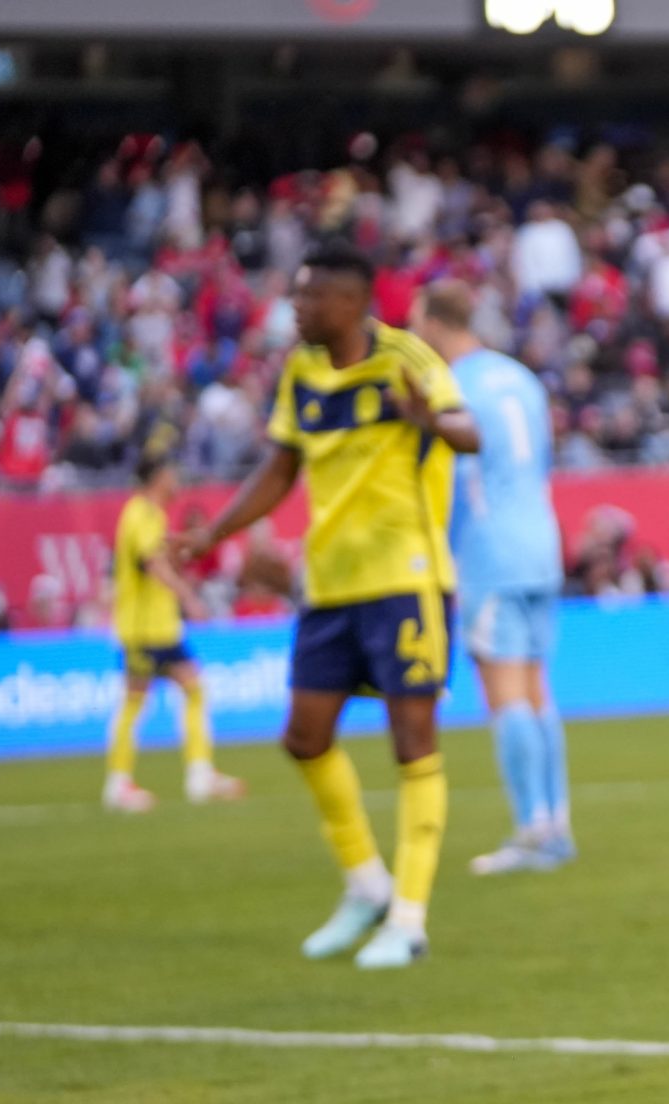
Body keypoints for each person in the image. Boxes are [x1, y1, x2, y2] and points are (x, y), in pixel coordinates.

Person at [179, 245, 479, 969]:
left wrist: (429, 420)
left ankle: (408, 919)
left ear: (351, 303)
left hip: (405, 578)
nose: (297, 308)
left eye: (310, 297)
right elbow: (281, 466)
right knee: (304, 737)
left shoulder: (407, 358)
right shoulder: (301, 371)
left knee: (413, 740)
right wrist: (214, 533)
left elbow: (471, 433)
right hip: (329, 584)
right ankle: (367, 884)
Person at [416, 280, 575, 875]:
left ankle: (533, 831)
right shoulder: (520, 378)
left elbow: (457, 480)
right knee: (537, 691)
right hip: (541, 541)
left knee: (505, 693)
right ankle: (556, 824)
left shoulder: (452, 385)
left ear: (435, 324)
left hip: (491, 550)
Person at [101, 457, 245, 813]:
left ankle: (200, 774)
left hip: (162, 628)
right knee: (135, 701)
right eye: (172, 474)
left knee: (194, 689)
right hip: (141, 629)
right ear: (158, 478)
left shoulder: (154, 515)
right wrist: (188, 597)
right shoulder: (139, 513)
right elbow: (152, 563)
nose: (177, 480)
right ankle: (118, 783)